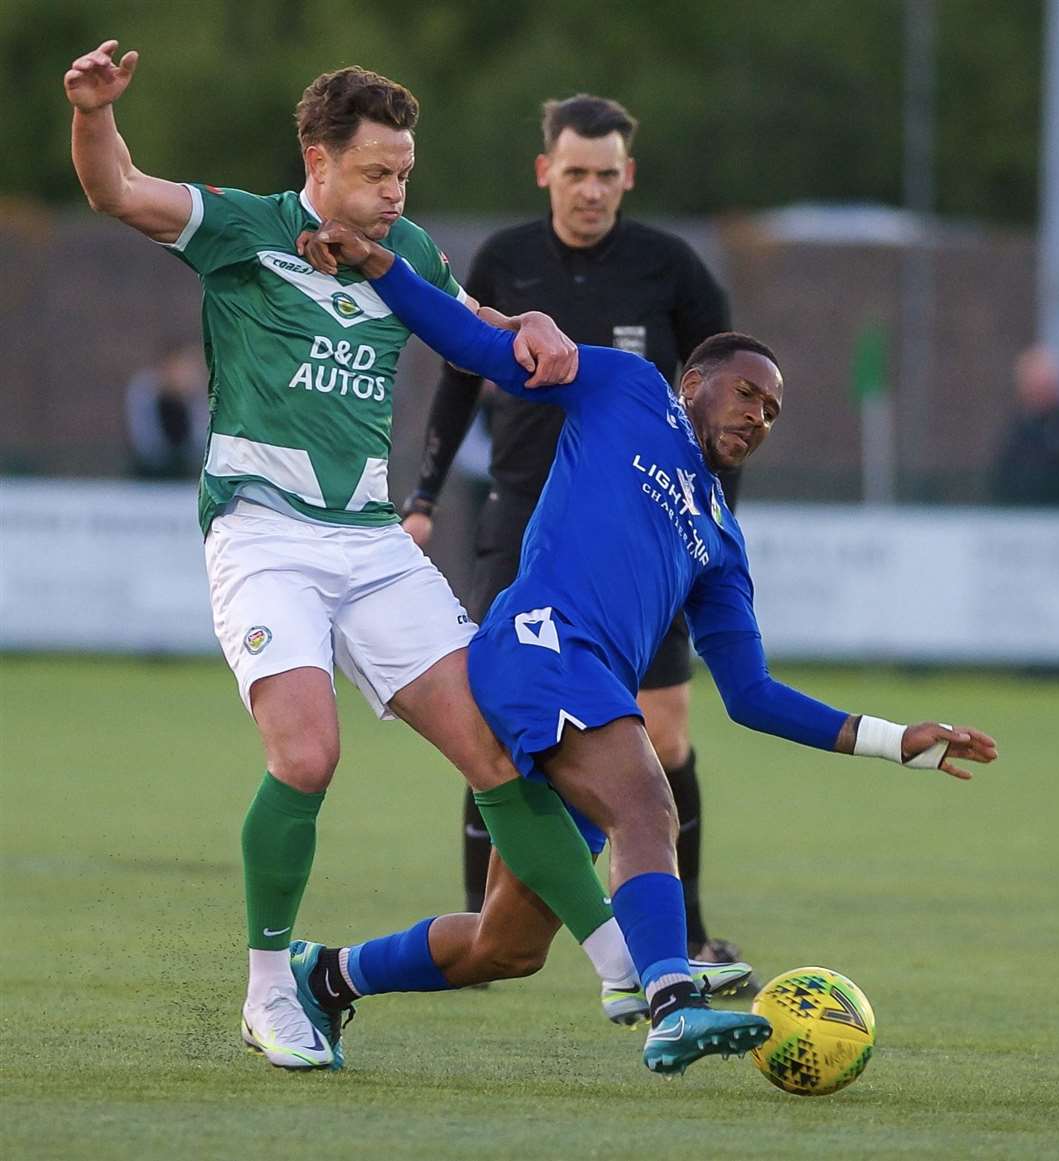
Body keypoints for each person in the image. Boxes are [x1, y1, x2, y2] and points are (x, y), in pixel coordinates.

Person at [64, 40, 677, 1073]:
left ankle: (624, 967)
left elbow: (484, 333)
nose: (395, 192)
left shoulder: (411, 257)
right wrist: (92, 113)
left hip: (370, 543)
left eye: (404, 173)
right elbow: (116, 188)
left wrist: (530, 320)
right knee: (306, 754)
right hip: (264, 538)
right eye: (376, 172)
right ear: (318, 159)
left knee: (494, 750)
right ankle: (270, 993)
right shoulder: (246, 229)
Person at [290, 227, 998, 1077]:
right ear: (693, 381)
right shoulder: (628, 387)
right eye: (746, 394)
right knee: (647, 801)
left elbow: (752, 694)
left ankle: (324, 975)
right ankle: (669, 999)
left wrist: (894, 739)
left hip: (582, 694)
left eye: (771, 412)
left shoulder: (720, 538)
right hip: (540, 649)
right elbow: (477, 344)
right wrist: (381, 267)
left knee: (505, 946)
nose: (757, 417)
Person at [402, 94, 749, 974]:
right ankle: (488, 915)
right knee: (492, 724)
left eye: (606, 174)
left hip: (636, 538)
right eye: (575, 172)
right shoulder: (506, 258)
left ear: (627, 177)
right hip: (520, 511)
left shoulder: (671, 268)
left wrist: (706, 534)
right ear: (545, 170)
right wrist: (424, 494)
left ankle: (685, 931)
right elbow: (458, 378)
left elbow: (727, 402)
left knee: (663, 740)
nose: (591, 189)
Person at [988, 346, 1059, 506]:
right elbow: (1004, 476)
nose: (1038, 392)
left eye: (1045, 385)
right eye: (1034, 386)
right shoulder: (1017, 431)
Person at [124, 339, 209, 478]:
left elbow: (200, 439)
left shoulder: (197, 395)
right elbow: (145, 440)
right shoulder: (146, 391)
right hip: (150, 472)